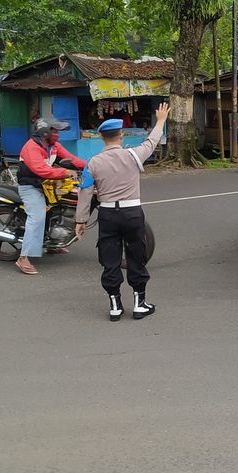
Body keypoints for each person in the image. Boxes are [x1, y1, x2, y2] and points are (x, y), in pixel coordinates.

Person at [75, 103, 170, 322]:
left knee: (110, 258)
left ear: (102, 138)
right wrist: (161, 120)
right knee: (136, 255)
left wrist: (80, 221)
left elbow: (85, 193)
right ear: (121, 135)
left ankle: (115, 306)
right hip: (132, 214)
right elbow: (152, 141)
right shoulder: (133, 156)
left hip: (108, 215)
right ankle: (139, 304)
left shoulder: (92, 163)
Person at [16, 119, 85, 275]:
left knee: (60, 207)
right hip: (30, 187)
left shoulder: (53, 146)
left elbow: (72, 159)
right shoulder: (31, 147)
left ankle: (51, 243)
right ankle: (23, 258)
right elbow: (41, 170)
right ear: (45, 132)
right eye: (54, 131)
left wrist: (91, 165)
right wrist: (64, 172)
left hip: (46, 185)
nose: (57, 135)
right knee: (38, 215)